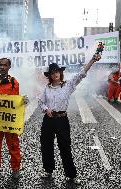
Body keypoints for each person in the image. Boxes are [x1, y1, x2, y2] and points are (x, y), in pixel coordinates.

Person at [38, 53, 101, 185]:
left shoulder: (68, 85)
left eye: (58, 72)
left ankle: (71, 175)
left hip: (62, 120)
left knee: (65, 147)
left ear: (61, 73)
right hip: (48, 120)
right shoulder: (46, 89)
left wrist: (92, 60)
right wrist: (46, 109)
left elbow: (81, 74)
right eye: (53, 72)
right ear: (49, 75)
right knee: (46, 146)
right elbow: (41, 102)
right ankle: (48, 171)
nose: (56, 74)